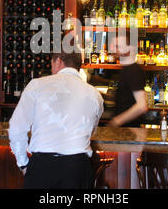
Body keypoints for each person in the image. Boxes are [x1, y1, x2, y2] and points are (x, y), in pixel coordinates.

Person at [8, 48, 104, 189]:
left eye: (52, 64)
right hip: (77, 168)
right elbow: (91, 131)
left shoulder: (36, 85)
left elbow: (16, 128)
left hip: (42, 168)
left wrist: (23, 163)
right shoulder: (95, 95)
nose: (52, 68)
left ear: (58, 61)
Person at [108, 32, 148, 127]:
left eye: (117, 46)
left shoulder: (133, 71)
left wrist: (116, 121)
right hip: (126, 130)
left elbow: (141, 106)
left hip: (130, 131)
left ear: (130, 49)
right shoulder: (127, 70)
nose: (113, 49)